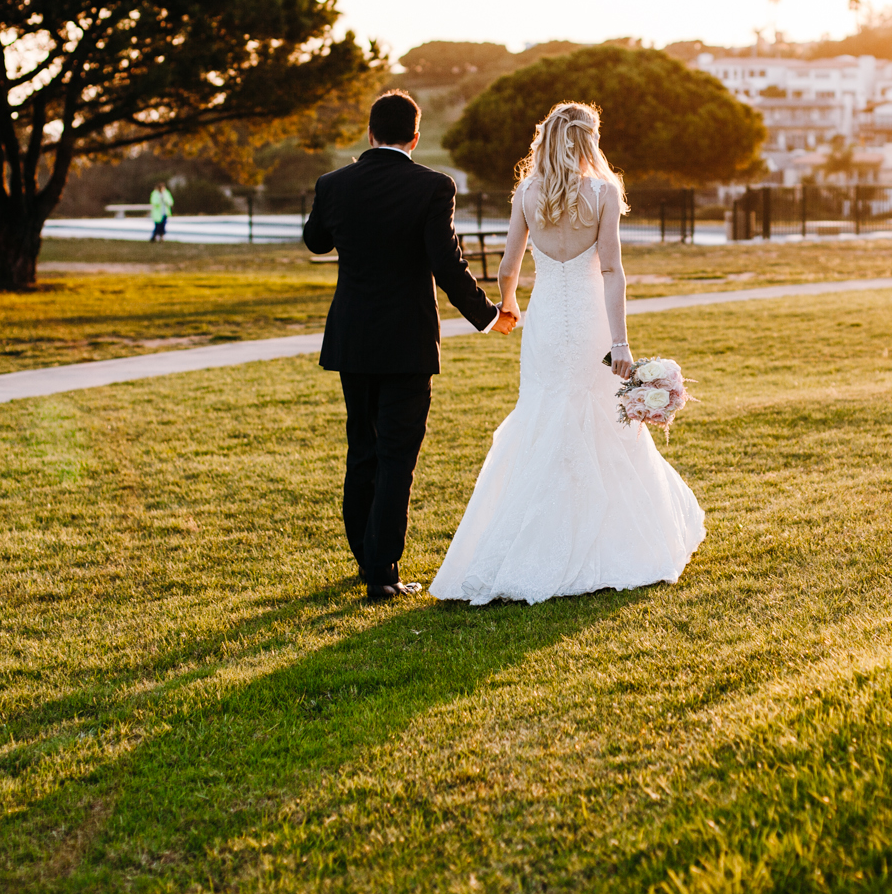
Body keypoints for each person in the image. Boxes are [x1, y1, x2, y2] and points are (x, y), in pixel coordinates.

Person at [429, 102, 705, 606]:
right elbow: (611, 271)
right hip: (590, 321)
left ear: (548, 138)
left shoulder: (529, 192)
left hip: (546, 322)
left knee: (542, 413)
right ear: (589, 139)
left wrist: (509, 306)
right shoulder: (602, 191)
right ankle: (603, 538)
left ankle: (532, 535)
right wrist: (619, 342)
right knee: (598, 415)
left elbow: (508, 265)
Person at [302, 90, 516, 602]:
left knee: (364, 449)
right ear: (415, 138)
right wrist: (489, 317)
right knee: (398, 455)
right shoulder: (432, 186)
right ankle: (382, 572)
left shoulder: (334, 184)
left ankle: (366, 560)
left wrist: (341, 207)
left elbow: (315, 242)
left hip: (352, 339)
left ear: (369, 132)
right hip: (407, 342)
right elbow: (448, 263)